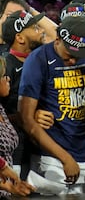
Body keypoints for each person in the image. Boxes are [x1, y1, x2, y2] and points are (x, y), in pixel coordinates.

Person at [19, 17, 85, 194]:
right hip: (49, 159)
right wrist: (65, 158)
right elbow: (26, 120)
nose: (74, 62)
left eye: (79, 57)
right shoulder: (37, 60)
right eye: (69, 56)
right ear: (57, 40)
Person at [1, 10, 46, 178]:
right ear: (20, 38)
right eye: (35, 28)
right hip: (15, 155)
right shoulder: (6, 66)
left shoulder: (42, 60)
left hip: (40, 149)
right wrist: (26, 117)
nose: (41, 31)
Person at [0, 55, 36, 197]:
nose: (8, 79)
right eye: (3, 76)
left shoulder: (1, 109)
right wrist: (3, 167)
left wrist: (11, 186)